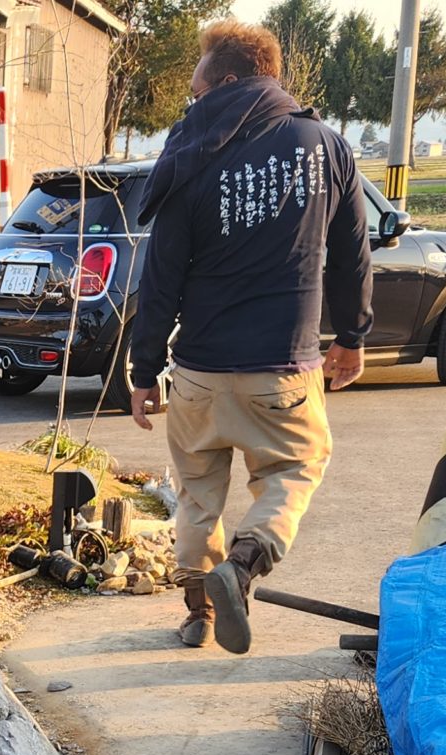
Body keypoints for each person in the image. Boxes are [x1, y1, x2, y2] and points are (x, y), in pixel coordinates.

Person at [121, 21, 372, 653]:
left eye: (197, 89)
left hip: (198, 373)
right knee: (297, 466)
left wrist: (144, 371)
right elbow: (351, 256)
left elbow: (161, 276)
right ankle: (245, 562)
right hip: (283, 370)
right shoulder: (326, 145)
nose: (193, 101)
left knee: (196, 495)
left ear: (228, 80)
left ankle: (199, 615)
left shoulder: (189, 152)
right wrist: (352, 336)